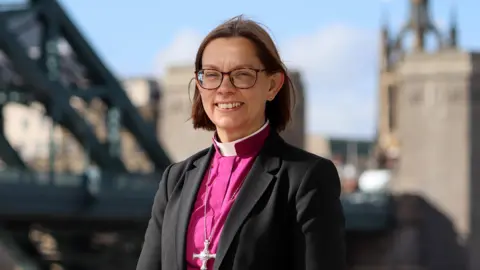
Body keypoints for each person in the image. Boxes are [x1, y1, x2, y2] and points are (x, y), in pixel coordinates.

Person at [136, 15, 346, 270]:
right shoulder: (175, 180)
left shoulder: (307, 178)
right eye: (211, 75)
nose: (225, 88)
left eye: (242, 75)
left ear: (273, 84)